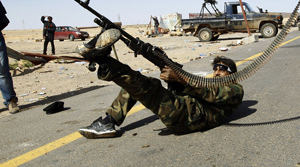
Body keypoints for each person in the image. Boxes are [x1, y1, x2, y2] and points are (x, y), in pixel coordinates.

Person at [76, 29, 244, 138]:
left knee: (149, 88)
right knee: (147, 83)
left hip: (187, 117)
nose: (217, 71)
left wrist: (180, 79)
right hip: (184, 109)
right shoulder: (208, 83)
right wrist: (163, 62)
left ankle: (103, 61)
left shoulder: (235, 89)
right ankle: (108, 121)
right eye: (215, 67)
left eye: (223, 68)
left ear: (233, 74)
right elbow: (191, 91)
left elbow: (211, 96)